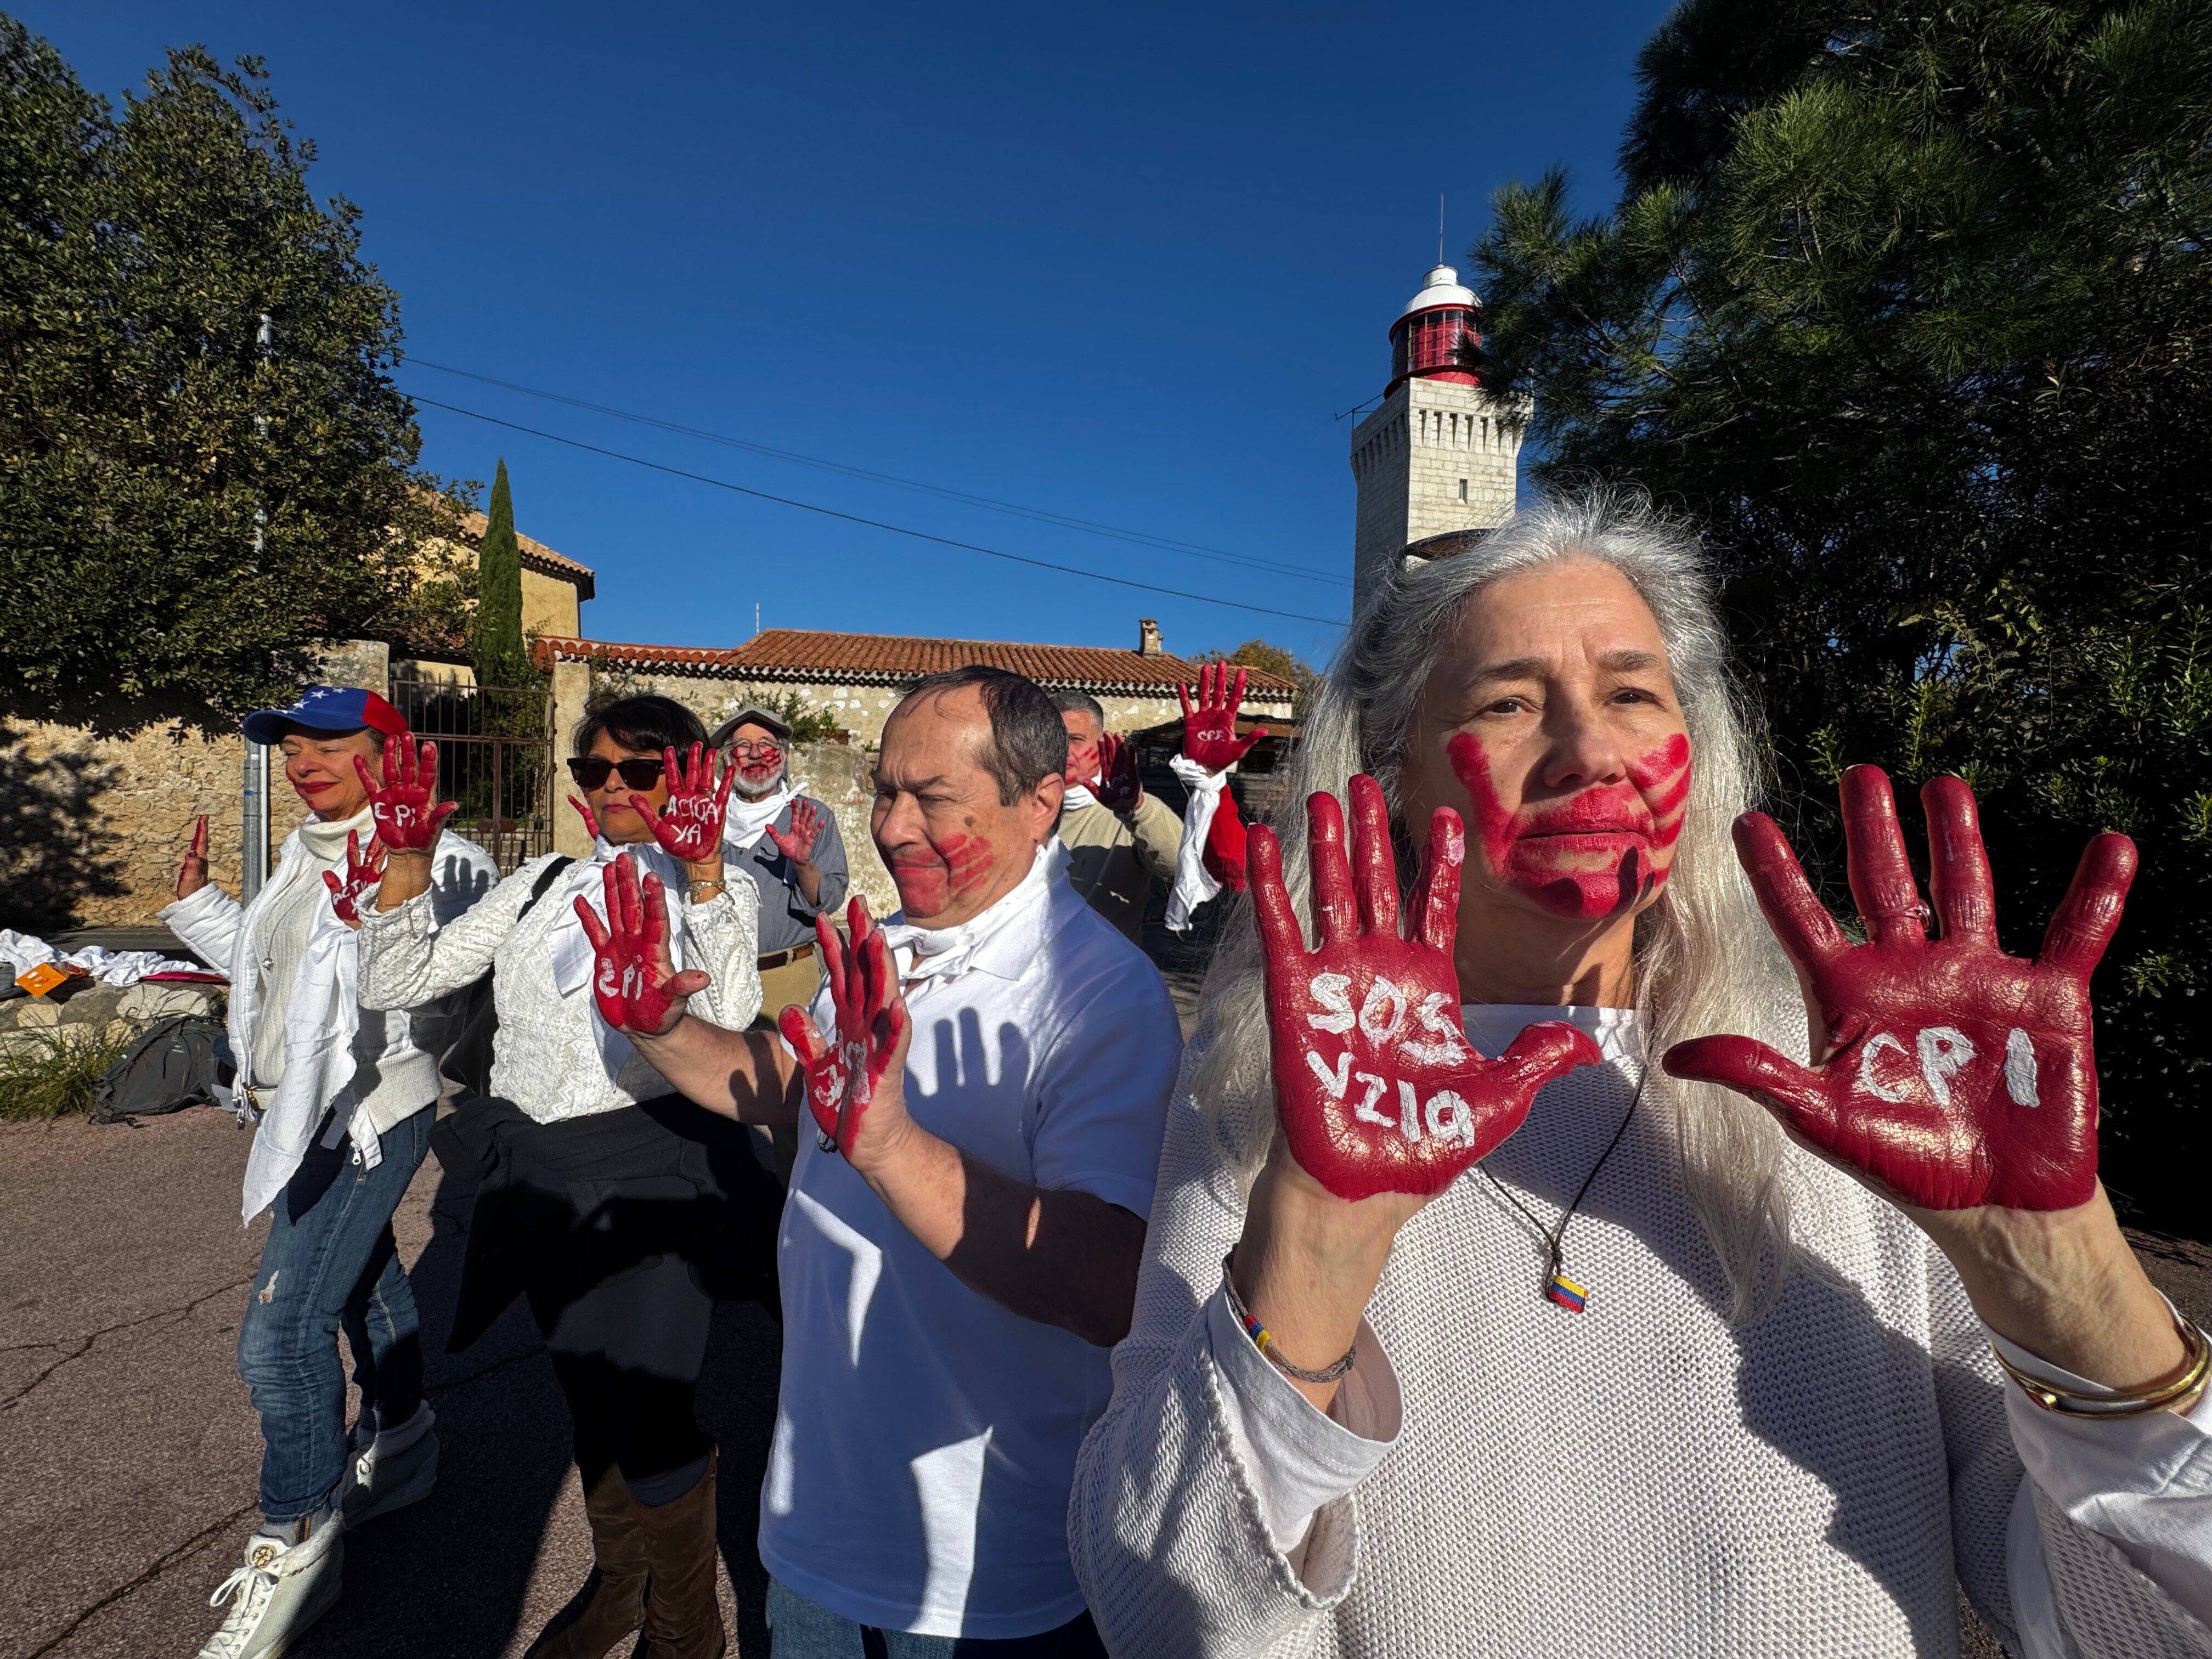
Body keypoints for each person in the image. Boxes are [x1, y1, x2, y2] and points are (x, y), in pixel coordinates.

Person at [1068, 491, 2212, 1658]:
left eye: (1630, 693)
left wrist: (2063, 1270)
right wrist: (1316, 1235)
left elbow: (2147, 1630)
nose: (1588, 752)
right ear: (1393, 770)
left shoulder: (1864, 1089)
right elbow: (1168, 1616)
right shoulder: (1276, 1090)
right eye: (1509, 702)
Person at [578, 666, 1182, 1655]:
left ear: (1039, 804)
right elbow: (780, 1079)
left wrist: (891, 1145)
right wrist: (661, 1027)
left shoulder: (1099, 998)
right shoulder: (884, 943)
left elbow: (1108, 1283)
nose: (894, 828)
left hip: (980, 1567)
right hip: (818, 1520)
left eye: (932, 798)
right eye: (884, 791)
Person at [354, 693, 761, 1659]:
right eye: (595, 769)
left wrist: (701, 872)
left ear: (690, 773)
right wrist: (406, 862)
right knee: (585, 1386)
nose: (614, 785)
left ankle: (686, 1627)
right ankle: (621, 1582)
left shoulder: (718, 882)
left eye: (641, 767)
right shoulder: (541, 880)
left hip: (648, 1170)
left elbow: (738, 1012)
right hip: (538, 1171)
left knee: (648, 1404)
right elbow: (396, 982)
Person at [161, 685, 496, 1659]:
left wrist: (403, 877)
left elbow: (426, 993)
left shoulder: (443, 856)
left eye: (329, 744)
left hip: (366, 1113)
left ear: (388, 752)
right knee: (364, 1282)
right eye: (292, 745)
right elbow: (277, 981)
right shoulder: (304, 855)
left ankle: (297, 1533)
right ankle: (405, 1441)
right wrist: (200, 906)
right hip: (293, 1113)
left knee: (279, 1333)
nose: (304, 760)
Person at [709, 702, 849, 1180]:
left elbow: (828, 899)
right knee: (717, 1093)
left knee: (792, 1101)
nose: (755, 755)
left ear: (783, 756)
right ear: (727, 757)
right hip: (717, 975)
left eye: (767, 746)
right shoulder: (707, 818)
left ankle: (794, 1205)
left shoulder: (811, 816)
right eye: (743, 746)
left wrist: (805, 864)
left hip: (787, 977)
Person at [1051, 689, 1183, 942]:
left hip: (1103, 975)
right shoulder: (1019, 808)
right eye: (1053, 738)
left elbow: (1180, 867)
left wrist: (1136, 810)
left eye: (1075, 739)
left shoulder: (1131, 812)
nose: (1062, 750)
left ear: (1100, 746)